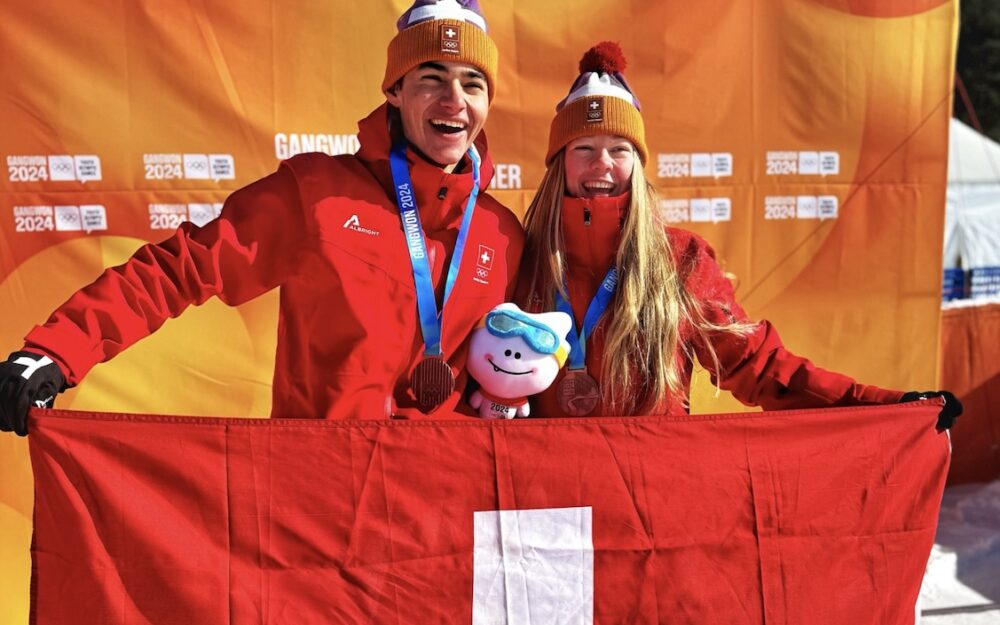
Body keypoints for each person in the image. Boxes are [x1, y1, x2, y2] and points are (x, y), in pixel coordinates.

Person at [0, 0, 524, 436]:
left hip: (442, 504)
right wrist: (56, 350)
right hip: (319, 493)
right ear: (394, 91)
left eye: (472, 83)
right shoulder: (316, 195)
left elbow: (525, 361)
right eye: (432, 78)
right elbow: (179, 270)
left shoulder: (502, 236)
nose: (454, 99)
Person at [517, 41, 961, 426]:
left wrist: (882, 407)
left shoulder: (678, 259)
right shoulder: (523, 257)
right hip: (552, 505)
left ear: (638, 163)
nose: (603, 165)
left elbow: (759, 366)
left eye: (620, 149)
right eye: (584, 149)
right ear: (560, 161)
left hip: (652, 497)